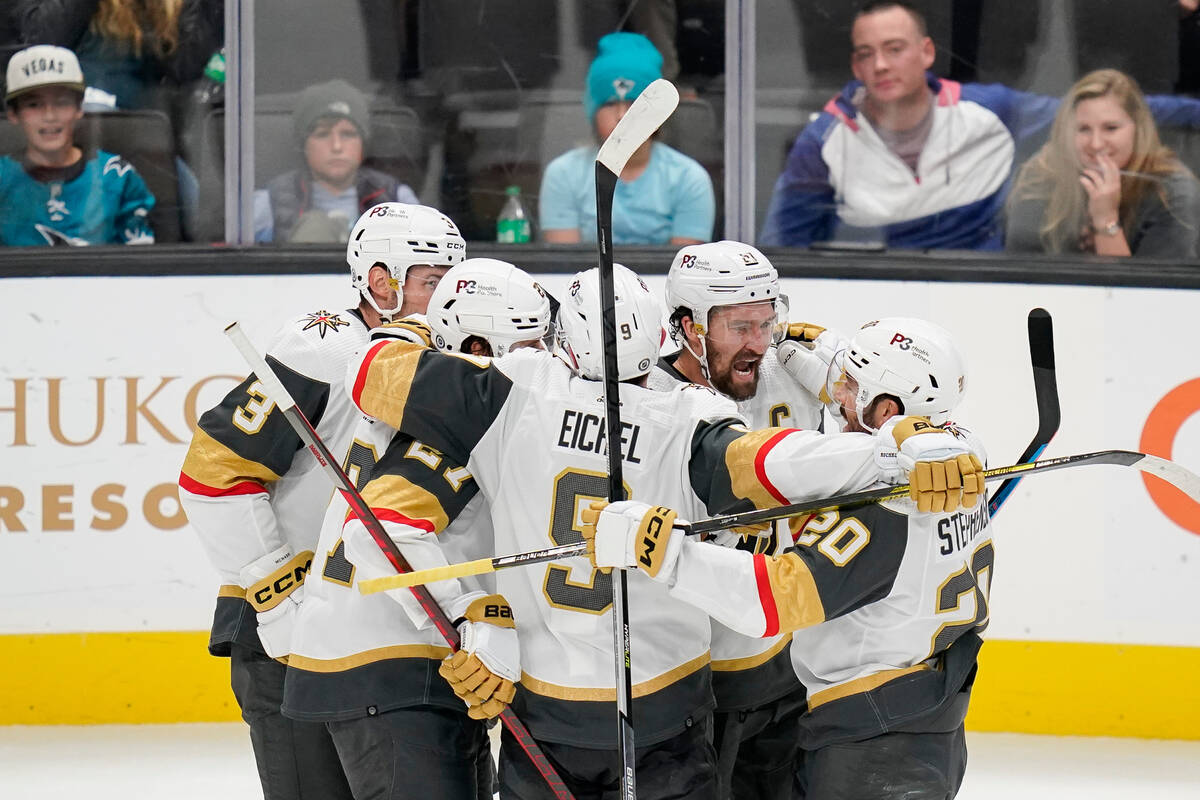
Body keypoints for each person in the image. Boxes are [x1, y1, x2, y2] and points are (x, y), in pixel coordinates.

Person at [345, 262, 984, 799]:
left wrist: (467, 617)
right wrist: (885, 454)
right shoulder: (690, 416)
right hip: (666, 710)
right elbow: (771, 463)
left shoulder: (507, 392)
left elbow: (371, 376)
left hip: (541, 708)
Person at [583, 316, 990, 800]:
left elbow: (771, 599)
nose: (838, 395)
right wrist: (830, 360)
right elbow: (894, 428)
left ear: (887, 407)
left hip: (875, 749)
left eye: (852, 386)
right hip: (930, 717)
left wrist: (662, 551)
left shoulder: (888, 505)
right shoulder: (955, 467)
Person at [177, 202, 464, 800]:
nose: (448, 299)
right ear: (380, 281)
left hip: (365, 639)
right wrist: (278, 597)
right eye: (434, 283)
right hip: (281, 635)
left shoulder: (437, 364)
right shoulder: (325, 350)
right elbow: (211, 473)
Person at [282, 257, 553, 800]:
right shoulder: (465, 420)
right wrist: (464, 613)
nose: (541, 363)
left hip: (368, 658)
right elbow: (380, 532)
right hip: (394, 668)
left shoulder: (427, 390)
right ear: (476, 349)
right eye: (527, 348)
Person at [759, 0, 1200, 251]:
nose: (880, 65)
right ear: (853, 62)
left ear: (927, 52)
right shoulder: (823, 140)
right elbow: (785, 247)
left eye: (894, 48)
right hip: (880, 310)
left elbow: (1096, 112)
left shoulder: (991, 110)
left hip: (987, 296)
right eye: (865, 53)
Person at [653, 240, 835, 798]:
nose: (759, 344)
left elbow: (887, 401)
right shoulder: (651, 400)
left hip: (792, 661)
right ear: (688, 326)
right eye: (740, 328)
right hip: (702, 678)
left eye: (766, 323)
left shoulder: (793, 369)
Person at [538, 32, 714, 246]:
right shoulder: (563, 175)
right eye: (610, 104)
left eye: (634, 104)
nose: (622, 115)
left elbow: (683, 269)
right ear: (592, 114)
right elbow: (562, 267)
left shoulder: (690, 179)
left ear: (657, 115)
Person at [1006, 69, 1200, 258]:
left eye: (1111, 128)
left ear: (1138, 129)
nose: (1096, 144)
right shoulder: (1039, 179)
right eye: (1083, 129)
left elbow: (1150, 290)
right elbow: (1019, 275)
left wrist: (1105, 221)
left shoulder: (1172, 193)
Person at [0, 44, 155, 246]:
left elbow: (141, 264)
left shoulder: (116, 176)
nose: (50, 116)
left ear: (79, 108)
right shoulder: (3, 177)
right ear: (13, 114)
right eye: (34, 105)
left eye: (62, 102)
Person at [253, 79, 419, 243]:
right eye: (322, 134)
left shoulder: (398, 200)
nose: (337, 146)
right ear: (303, 145)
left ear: (363, 143)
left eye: (348, 134)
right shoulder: (269, 205)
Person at [14, 0, 223, 111]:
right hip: (82, 126)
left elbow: (187, 68)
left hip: (150, 127)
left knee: (187, 187)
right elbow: (43, 39)